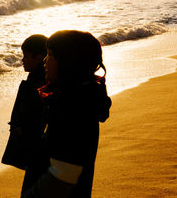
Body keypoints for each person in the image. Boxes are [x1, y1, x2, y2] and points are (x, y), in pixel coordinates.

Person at [23, 30, 112, 198]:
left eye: (50, 54)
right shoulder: (84, 98)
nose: (44, 60)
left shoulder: (71, 106)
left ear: (68, 62)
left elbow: (62, 175)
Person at [2, 34, 48, 173]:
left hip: (35, 145)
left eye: (26, 56)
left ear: (39, 58)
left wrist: (20, 127)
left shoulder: (40, 82)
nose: (22, 60)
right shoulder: (36, 76)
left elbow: (35, 115)